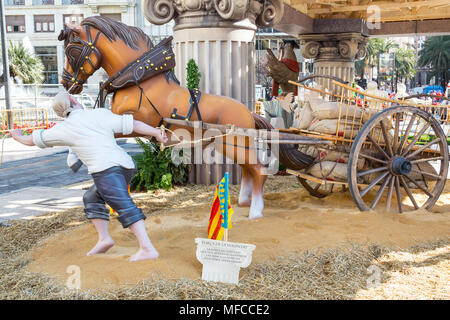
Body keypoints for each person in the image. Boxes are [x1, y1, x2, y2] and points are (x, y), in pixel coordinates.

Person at [10, 92, 168, 262]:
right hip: (125, 167)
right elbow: (134, 123)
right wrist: (157, 133)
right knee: (91, 197)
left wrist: (17, 136)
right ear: (73, 101)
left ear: (59, 113)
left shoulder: (63, 129)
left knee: (125, 207)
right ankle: (104, 239)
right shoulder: (99, 114)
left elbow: (32, 140)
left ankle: (147, 248)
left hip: (106, 172)